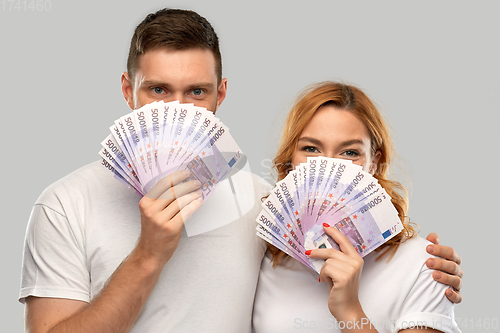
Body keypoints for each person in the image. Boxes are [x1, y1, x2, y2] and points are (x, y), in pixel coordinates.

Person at [19, 8, 462, 333]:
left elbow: (341, 243)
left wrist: (426, 266)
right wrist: (148, 256)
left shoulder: (261, 204)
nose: (178, 109)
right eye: (158, 89)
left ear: (220, 95)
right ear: (126, 90)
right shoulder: (64, 205)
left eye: (197, 90)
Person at [253, 81, 462, 332]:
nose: (329, 168)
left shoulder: (423, 265)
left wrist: (351, 312)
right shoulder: (261, 257)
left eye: (350, 152)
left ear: (373, 163)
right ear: (290, 161)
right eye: (311, 149)